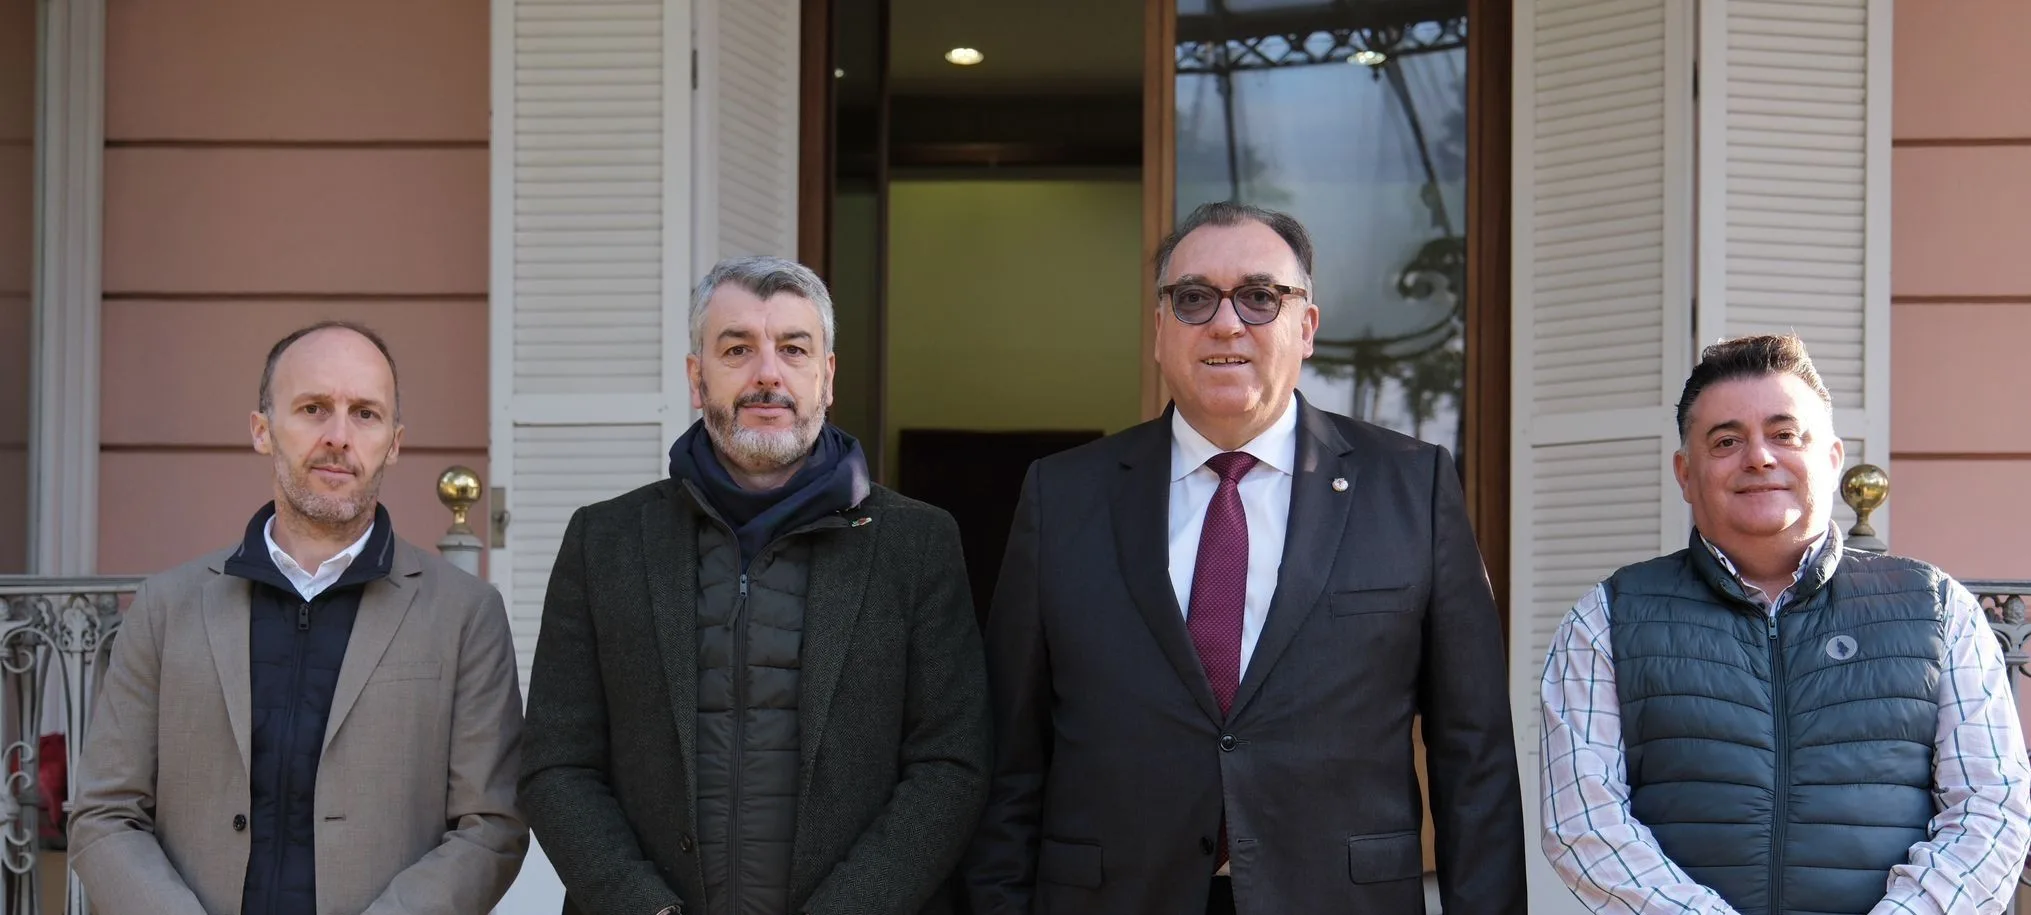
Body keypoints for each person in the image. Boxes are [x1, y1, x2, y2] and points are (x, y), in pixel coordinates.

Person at [965, 202, 1526, 914]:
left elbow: (1471, 756)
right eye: (1193, 298)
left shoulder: (1412, 487)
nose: (1226, 323)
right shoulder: (1062, 495)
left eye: (1260, 297)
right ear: (1160, 330)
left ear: (1307, 328)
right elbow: (1009, 758)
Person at [519, 255, 991, 915]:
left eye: (793, 350)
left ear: (826, 377)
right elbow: (555, 763)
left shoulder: (916, 545)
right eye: (737, 348)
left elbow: (951, 765)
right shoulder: (605, 542)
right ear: (696, 376)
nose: (767, 373)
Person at [1540, 333, 2031, 914]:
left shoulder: (1936, 608)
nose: (1759, 457)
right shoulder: (1608, 618)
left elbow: (1992, 808)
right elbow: (1583, 821)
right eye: (1726, 440)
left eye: (1785, 433)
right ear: (1685, 472)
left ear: (1830, 458)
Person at [70, 320, 528, 914]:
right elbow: (104, 813)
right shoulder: (165, 608)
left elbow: (491, 826)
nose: (339, 435)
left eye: (365, 413)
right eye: (313, 408)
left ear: (393, 441)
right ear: (262, 431)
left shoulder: (466, 615)